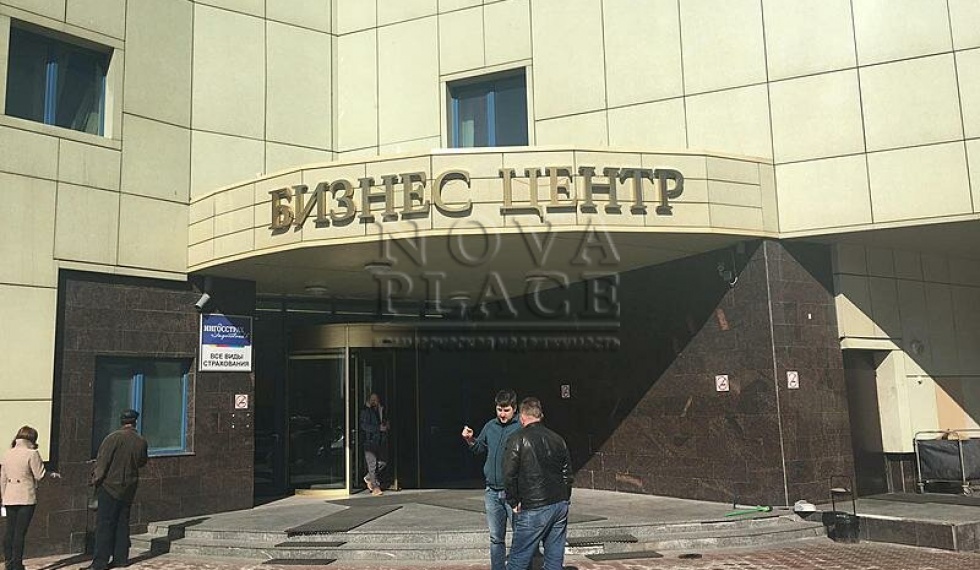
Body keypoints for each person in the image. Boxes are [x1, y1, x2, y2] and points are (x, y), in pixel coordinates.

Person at [503, 397, 573, 570]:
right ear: (540, 415)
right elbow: (567, 473)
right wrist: (565, 497)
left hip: (534, 505)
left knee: (518, 559)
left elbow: (509, 474)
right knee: (554, 559)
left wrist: (513, 501)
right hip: (558, 503)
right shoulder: (557, 439)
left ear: (522, 417)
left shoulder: (517, 439)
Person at [460, 389, 521, 570]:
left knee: (520, 535)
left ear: (514, 408)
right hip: (492, 491)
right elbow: (479, 447)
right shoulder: (490, 426)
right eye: (499, 410)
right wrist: (470, 439)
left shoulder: (520, 427)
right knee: (496, 537)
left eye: (506, 410)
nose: (502, 414)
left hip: (514, 492)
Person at [86, 409, 149, 570]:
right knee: (122, 523)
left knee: (104, 525)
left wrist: (95, 480)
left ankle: (100, 562)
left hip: (109, 486)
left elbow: (102, 463)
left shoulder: (113, 438)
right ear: (135, 422)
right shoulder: (141, 441)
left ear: (121, 422)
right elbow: (142, 462)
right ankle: (121, 558)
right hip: (129, 487)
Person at [1, 426, 59, 570]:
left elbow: (3, 478)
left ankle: (8, 562)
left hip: (9, 495)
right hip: (25, 496)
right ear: (32, 439)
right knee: (20, 533)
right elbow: (39, 474)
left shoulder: (8, 453)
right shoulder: (32, 454)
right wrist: (51, 474)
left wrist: (4, 496)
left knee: (10, 531)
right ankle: (17, 564)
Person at [360, 393, 388, 496]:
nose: (374, 401)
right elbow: (364, 426)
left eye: (376, 399)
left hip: (380, 440)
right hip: (370, 441)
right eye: (372, 399)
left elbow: (382, 422)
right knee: (372, 465)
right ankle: (375, 488)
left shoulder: (380, 410)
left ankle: (368, 478)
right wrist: (378, 428)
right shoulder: (366, 411)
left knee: (383, 462)